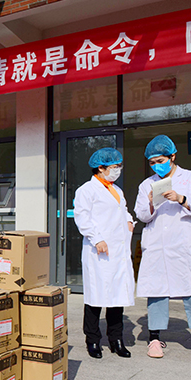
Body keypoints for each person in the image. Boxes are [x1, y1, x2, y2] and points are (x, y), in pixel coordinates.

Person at [134, 135, 191, 363]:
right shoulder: (146, 184)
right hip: (158, 246)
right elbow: (141, 215)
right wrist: (152, 202)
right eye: (152, 162)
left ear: (172, 156)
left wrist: (181, 198)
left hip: (184, 245)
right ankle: (154, 338)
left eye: (160, 161)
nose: (156, 166)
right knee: (157, 292)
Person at [73, 148, 135, 359]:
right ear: (101, 168)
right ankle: (92, 340)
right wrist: (97, 238)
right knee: (96, 297)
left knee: (117, 297)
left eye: (119, 166)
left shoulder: (117, 190)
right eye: (114, 167)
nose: (118, 170)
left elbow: (123, 210)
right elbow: (82, 217)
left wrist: (129, 220)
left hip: (118, 250)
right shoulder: (86, 190)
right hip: (99, 250)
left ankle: (116, 339)